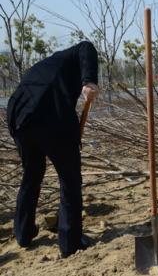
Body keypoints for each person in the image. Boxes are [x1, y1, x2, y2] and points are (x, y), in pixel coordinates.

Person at [6, 41, 100, 258]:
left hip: (19, 115)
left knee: (32, 173)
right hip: (49, 113)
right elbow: (87, 46)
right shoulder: (74, 54)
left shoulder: (44, 66)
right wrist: (88, 81)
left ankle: (23, 233)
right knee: (69, 179)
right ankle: (70, 242)